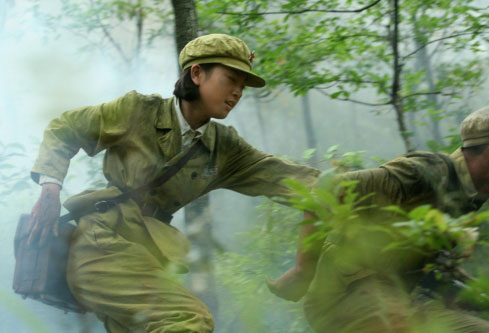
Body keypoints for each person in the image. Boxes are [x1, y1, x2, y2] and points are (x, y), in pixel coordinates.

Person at [27, 33, 320, 332]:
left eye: (242, 86)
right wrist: (50, 189)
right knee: (188, 321)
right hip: (101, 243)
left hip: (147, 259)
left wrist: (356, 183)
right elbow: (64, 129)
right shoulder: (137, 110)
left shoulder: (225, 147)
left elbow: (304, 184)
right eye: (231, 79)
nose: (237, 93)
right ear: (197, 73)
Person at [267, 105, 489, 332]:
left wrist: (474, 297)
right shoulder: (425, 173)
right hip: (343, 295)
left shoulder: (471, 194)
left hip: (388, 297)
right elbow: (328, 187)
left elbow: (427, 264)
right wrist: (302, 270)